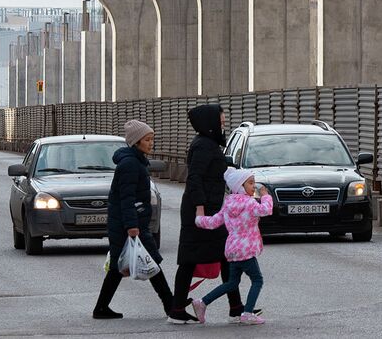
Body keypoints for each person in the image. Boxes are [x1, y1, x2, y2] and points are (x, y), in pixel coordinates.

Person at [92, 120, 182, 321]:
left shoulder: (136, 161)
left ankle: (101, 308)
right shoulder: (130, 164)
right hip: (127, 225)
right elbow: (127, 198)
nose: (151, 143)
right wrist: (132, 226)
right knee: (149, 262)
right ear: (136, 142)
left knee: (125, 266)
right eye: (147, 140)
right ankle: (170, 304)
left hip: (130, 223)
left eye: (152, 139)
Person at [171, 104, 244, 324]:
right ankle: (176, 309)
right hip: (201, 211)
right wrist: (200, 208)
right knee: (190, 259)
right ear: (210, 123)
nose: (222, 125)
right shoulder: (203, 145)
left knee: (224, 257)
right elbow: (195, 177)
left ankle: (236, 307)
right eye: (220, 121)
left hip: (211, 209)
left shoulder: (209, 143)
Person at [190, 168, 273, 325]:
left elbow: (214, 222)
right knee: (257, 280)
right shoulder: (249, 203)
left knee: (231, 283)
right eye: (250, 183)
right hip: (246, 250)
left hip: (232, 251)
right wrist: (265, 195)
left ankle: (202, 302)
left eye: (253, 182)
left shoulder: (228, 204)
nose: (253, 186)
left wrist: (199, 218)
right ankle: (248, 313)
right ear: (239, 186)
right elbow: (266, 210)